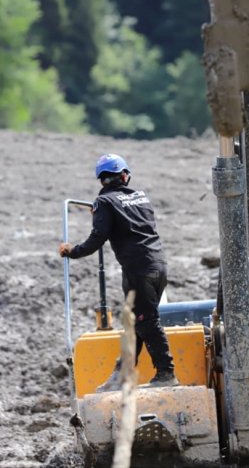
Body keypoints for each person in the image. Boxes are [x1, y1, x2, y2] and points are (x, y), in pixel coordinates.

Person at [58, 153, 178, 390]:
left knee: (146, 321)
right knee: (136, 322)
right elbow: (130, 220)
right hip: (158, 265)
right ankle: (121, 375)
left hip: (137, 270)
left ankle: (166, 372)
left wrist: (72, 251)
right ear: (124, 175)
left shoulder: (104, 203)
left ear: (101, 179)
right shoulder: (141, 197)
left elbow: (98, 238)